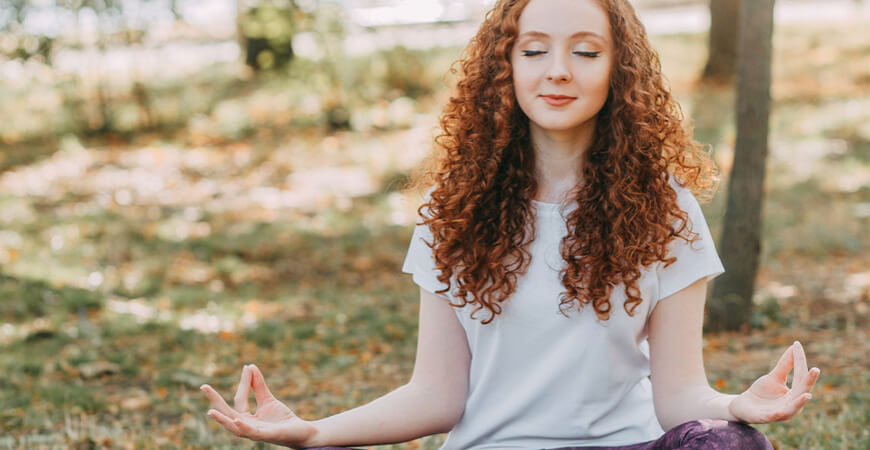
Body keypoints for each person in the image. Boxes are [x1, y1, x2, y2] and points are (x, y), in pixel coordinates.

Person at [199, 0, 822, 448]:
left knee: (733, 446)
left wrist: (735, 408)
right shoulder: (453, 210)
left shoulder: (666, 209)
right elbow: (436, 397)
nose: (558, 70)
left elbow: (681, 397)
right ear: (506, 68)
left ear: (619, 69)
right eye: (533, 50)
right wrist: (314, 432)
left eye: (585, 50)